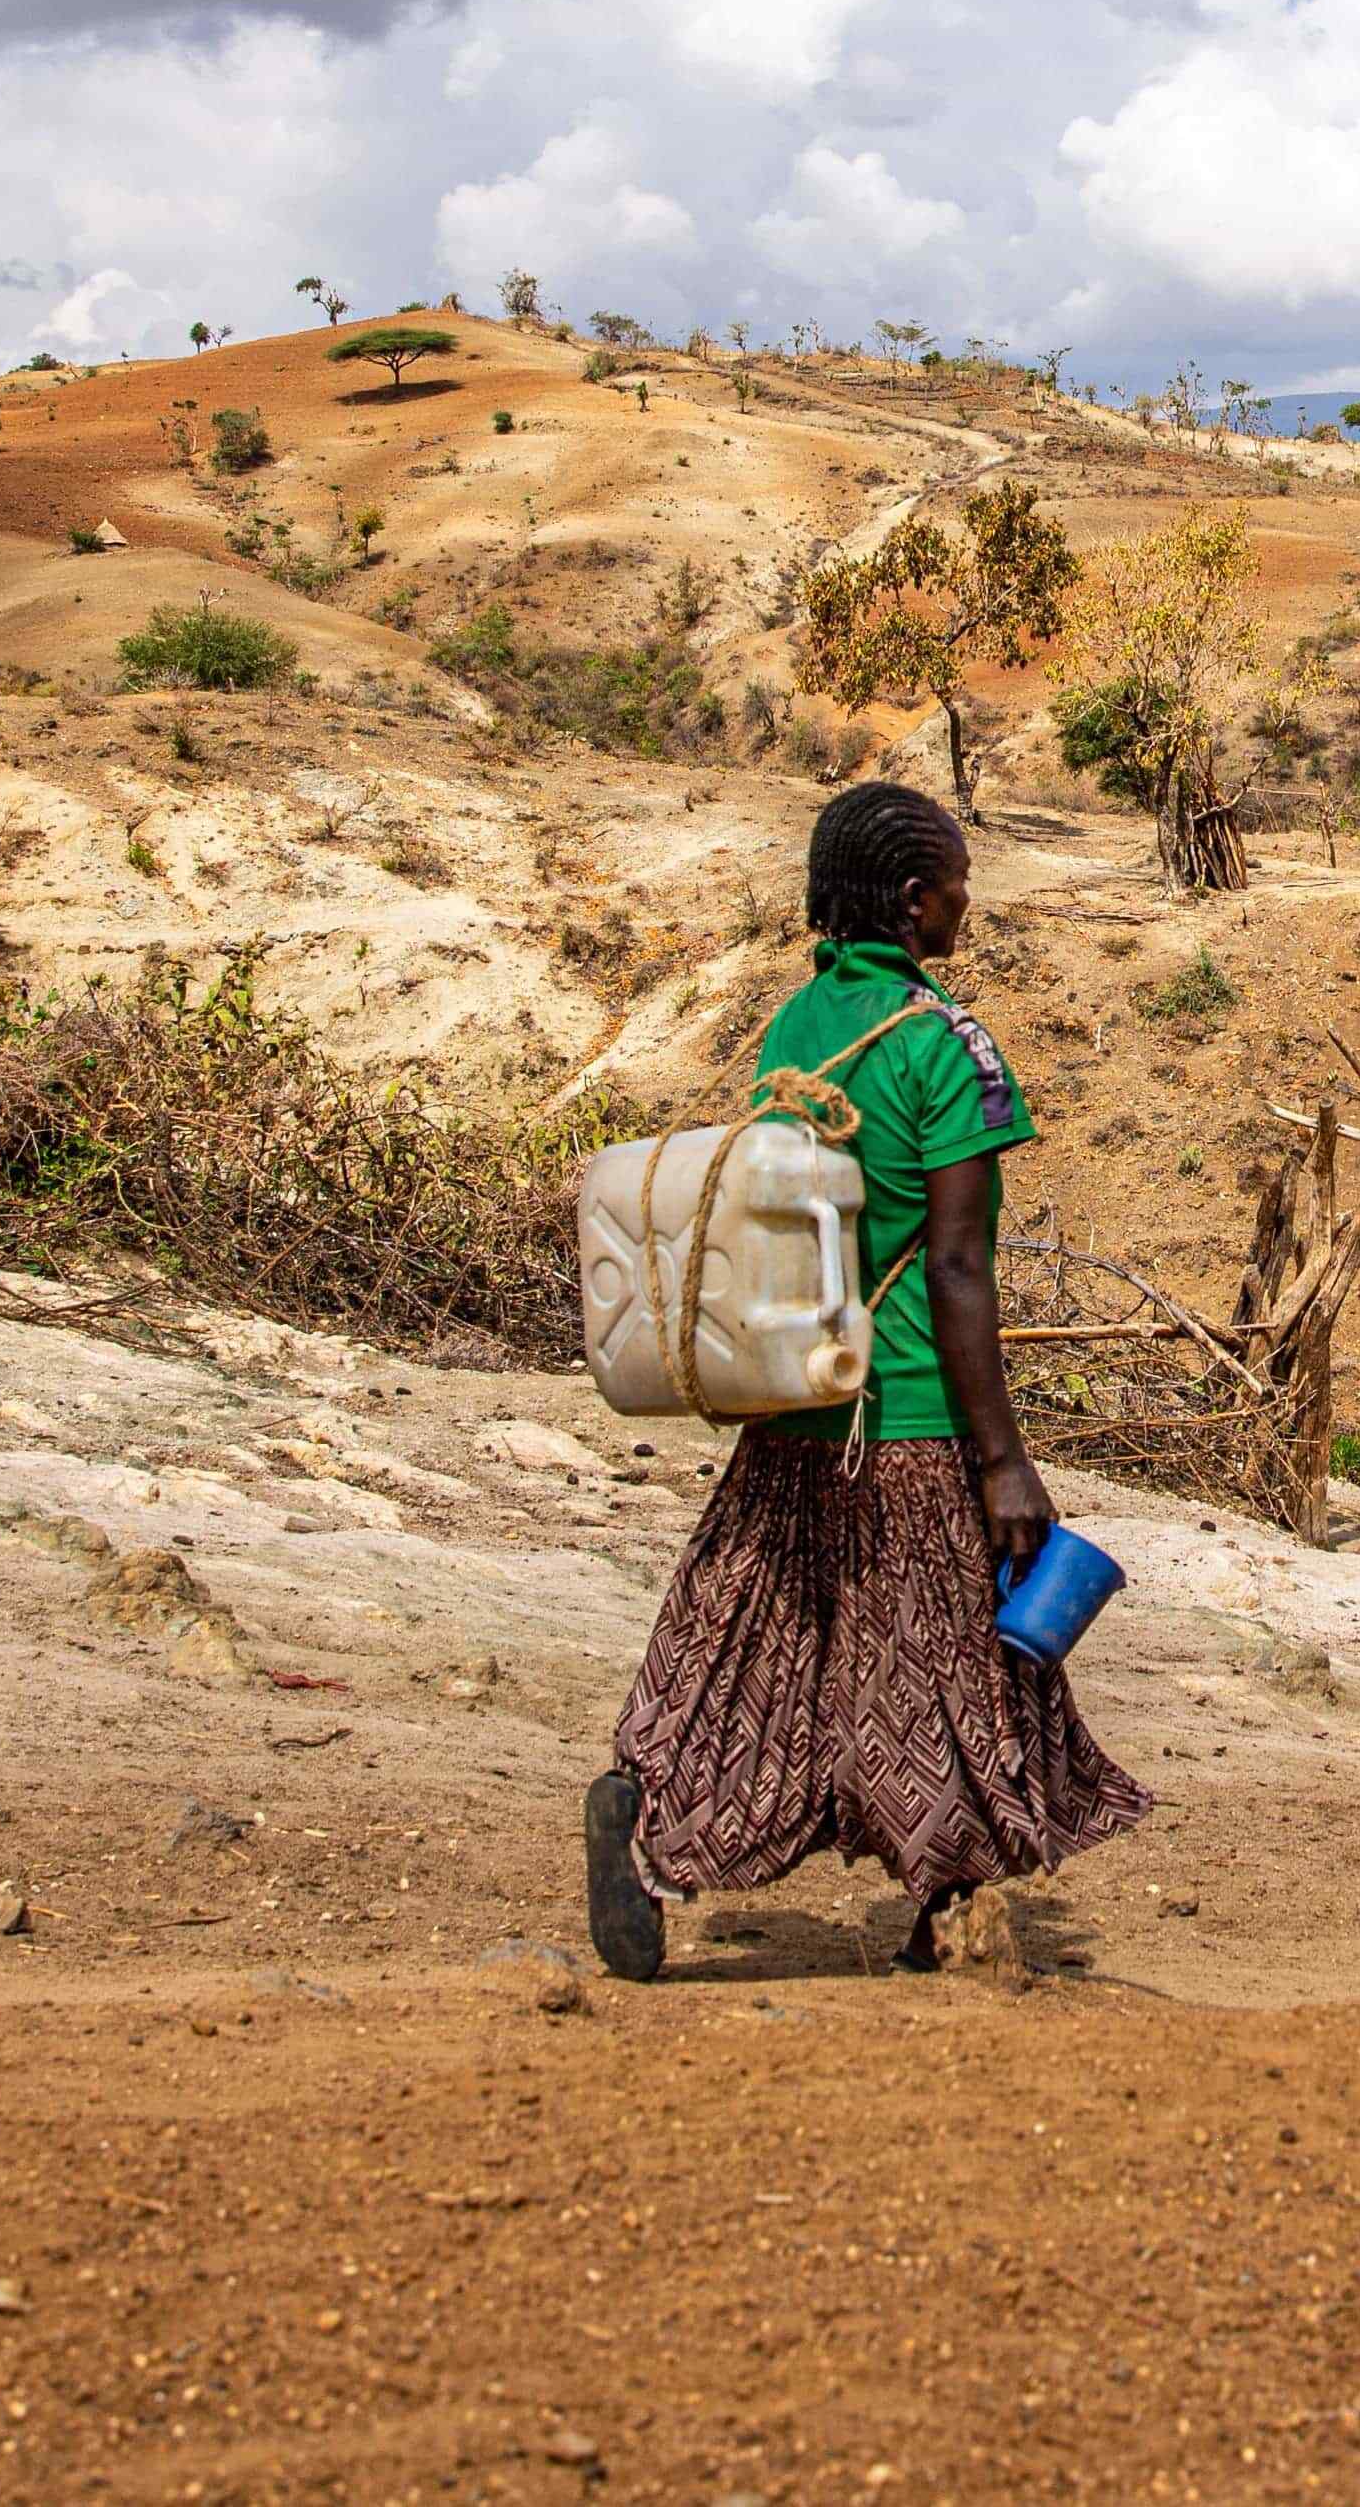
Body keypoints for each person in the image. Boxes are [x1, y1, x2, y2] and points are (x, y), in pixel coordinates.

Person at [585, 781, 1146, 1977]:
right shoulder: (947, 1046)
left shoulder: (795, 1029)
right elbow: (954, 1264)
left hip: (795, 1400)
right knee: (948, 1664)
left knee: (753, 1638)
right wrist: (1003, 1459)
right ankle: (949, 1909)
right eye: (954, 878)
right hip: (906, 1413)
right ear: (909, 900)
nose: (966, 896)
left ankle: (648, 1800)